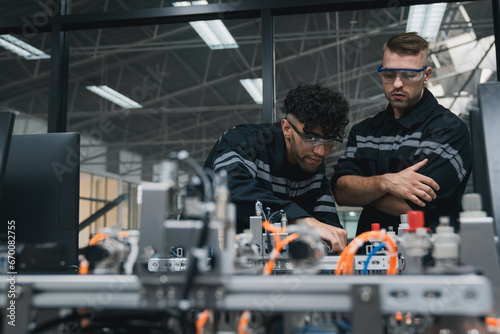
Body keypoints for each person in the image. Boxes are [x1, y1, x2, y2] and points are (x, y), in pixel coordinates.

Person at [331, 32, 472, 236]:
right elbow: (340, 191)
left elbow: (414, 207)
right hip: (370, 256)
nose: (397, 83)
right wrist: (386, 182)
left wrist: (362, 191)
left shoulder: (448, 129)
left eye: (409, 75)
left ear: (426, 75)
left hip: (432, 256)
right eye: (389, 75)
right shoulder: (364, 131)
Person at [204, 83, 350, 253]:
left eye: (328, 141)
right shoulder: (244, 142)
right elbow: (230, 191)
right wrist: (301, 220)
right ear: (287, 128)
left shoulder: (313, 167)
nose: (320, 151)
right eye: (311, 138)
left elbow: (327, 225)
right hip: (206, 256)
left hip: (267, 266)